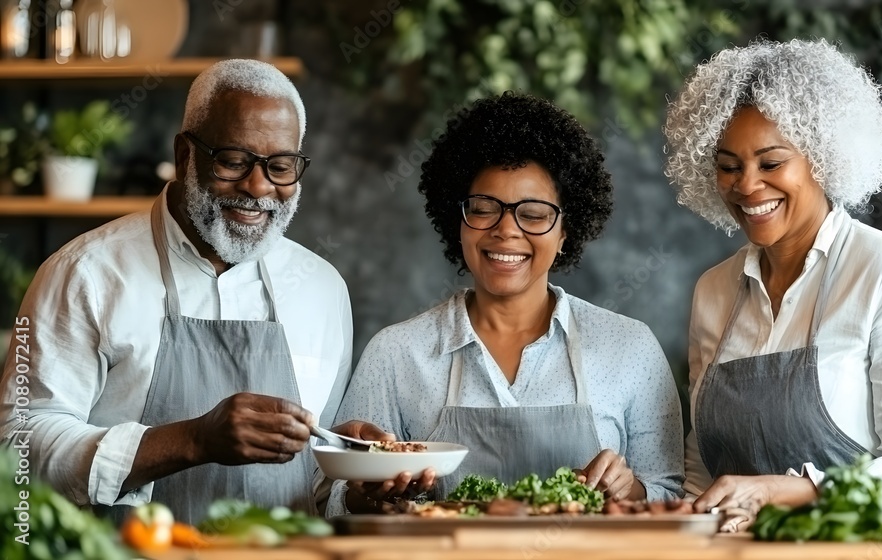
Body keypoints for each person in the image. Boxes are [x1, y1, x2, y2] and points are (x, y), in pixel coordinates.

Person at [0, 59, 372, 524]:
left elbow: (315, 487)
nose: (258, 187)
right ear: (184, 155)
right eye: (234, 161)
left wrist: (357, 482)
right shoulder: (84, 274)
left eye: (280, 167)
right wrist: (192, 441)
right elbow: (16, 449)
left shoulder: (322, 289)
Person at [329, 92, 685, 515]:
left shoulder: (630, 347)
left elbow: (672, 494)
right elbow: (333, 498)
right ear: (456, 221)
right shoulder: (396, 353)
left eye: (533, 214)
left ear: (565, 230)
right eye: (483, 209)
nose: (506, 231)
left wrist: (634, 492)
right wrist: (367, 492)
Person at [663, 39, 882, 530]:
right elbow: (699, 473)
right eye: (729, 166)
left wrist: (782, 492)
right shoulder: (713, 291)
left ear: (822, 155)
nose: (747, 185)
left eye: (771, 163)